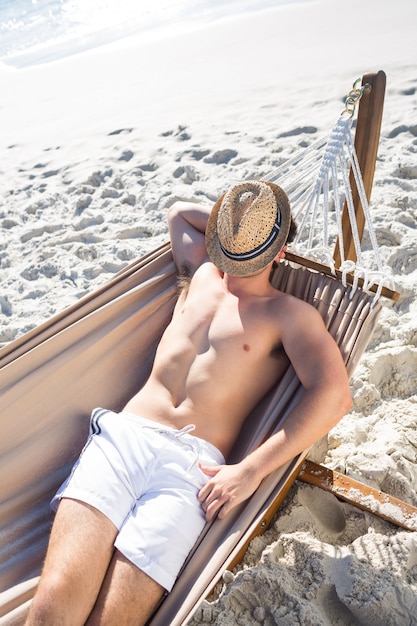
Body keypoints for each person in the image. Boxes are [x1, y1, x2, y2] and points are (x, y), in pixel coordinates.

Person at [25, 180, 351, 626]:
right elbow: (179, 212)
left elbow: (334, 396)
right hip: (124, 439)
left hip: (193, 475)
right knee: (53, 605)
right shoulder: (201, 273)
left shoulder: (289, 314)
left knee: (112, 619)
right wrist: (241, 234)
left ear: (279, 255)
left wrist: (251, 469)